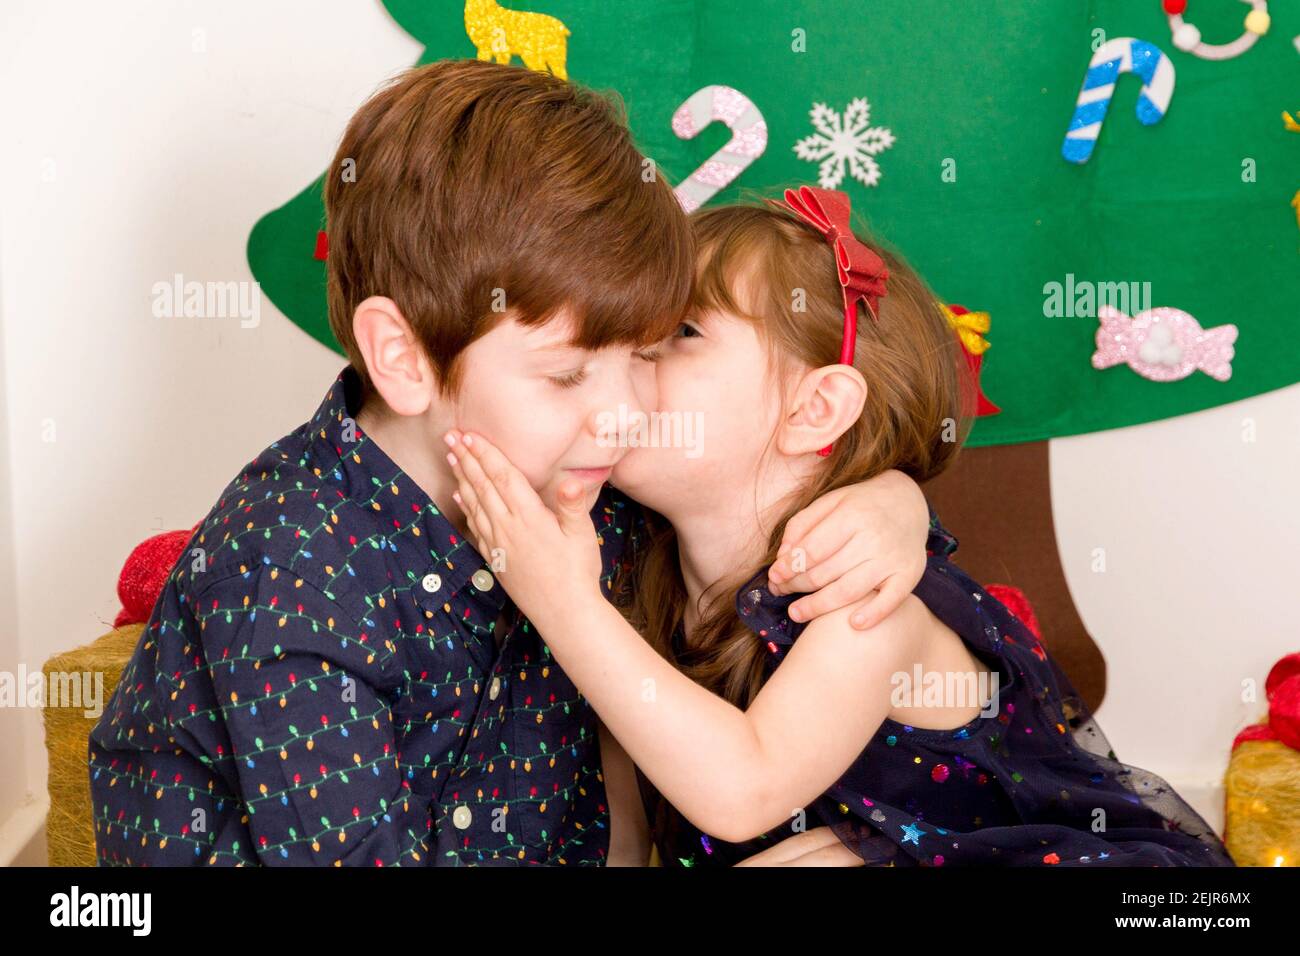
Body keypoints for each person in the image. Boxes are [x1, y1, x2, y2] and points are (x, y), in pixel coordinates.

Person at [87, 64, 930, 866]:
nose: (629, 414)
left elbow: (757, 494)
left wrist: (894, 508)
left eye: (644, 354)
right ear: (406, 358)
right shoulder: (293, 568)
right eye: (566, 374)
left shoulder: (589, 491)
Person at [443, 187, 1234, 866]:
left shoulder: (865, 606)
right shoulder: (624, 561)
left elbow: (742, 787)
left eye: (681, 333)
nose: (630, 353)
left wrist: (562, 603)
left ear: (815, 409)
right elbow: (631, 828)